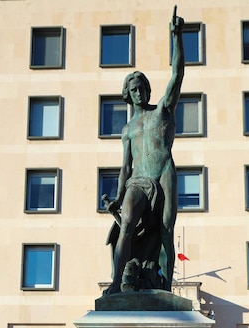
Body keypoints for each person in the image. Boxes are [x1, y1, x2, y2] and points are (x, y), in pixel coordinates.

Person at [103, 6, 185, 295]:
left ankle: (167, 286)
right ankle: (115, 284)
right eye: (134, 89)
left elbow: (177, 75)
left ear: (149, 90)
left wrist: (177, 37)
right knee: (126, 223)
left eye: (143, 87)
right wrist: (118, 195)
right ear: (128, 94)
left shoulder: (162, 111)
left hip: (163, 174)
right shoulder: (127, 130)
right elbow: (125, 167)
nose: (140, 92)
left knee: (165, 232)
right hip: (138, 182)